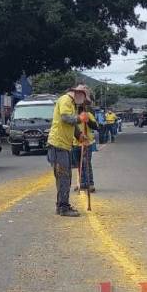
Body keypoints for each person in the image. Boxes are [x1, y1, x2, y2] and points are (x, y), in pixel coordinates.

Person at [47, 85, 89, 217]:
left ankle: (62, 205)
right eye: (84, 98)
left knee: (65, 177)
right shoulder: (65, 100)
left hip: (64, 145)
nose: (83, 102)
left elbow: (72, 124)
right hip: (58, 145)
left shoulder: (71, 103)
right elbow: (65, 118)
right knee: (64, 177)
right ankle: (63, 207)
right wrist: (80, 118)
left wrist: (79, 135)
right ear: (79, 94)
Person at [73, 101, 99, 193]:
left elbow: (95, 126)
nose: (79, 107)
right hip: (75, 143)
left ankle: (90, 184)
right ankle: (81, 183)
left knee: (86, 163)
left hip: (86, 143)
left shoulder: (88, 114)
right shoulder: (73, 116)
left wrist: (88, 120)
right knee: (78, 165)